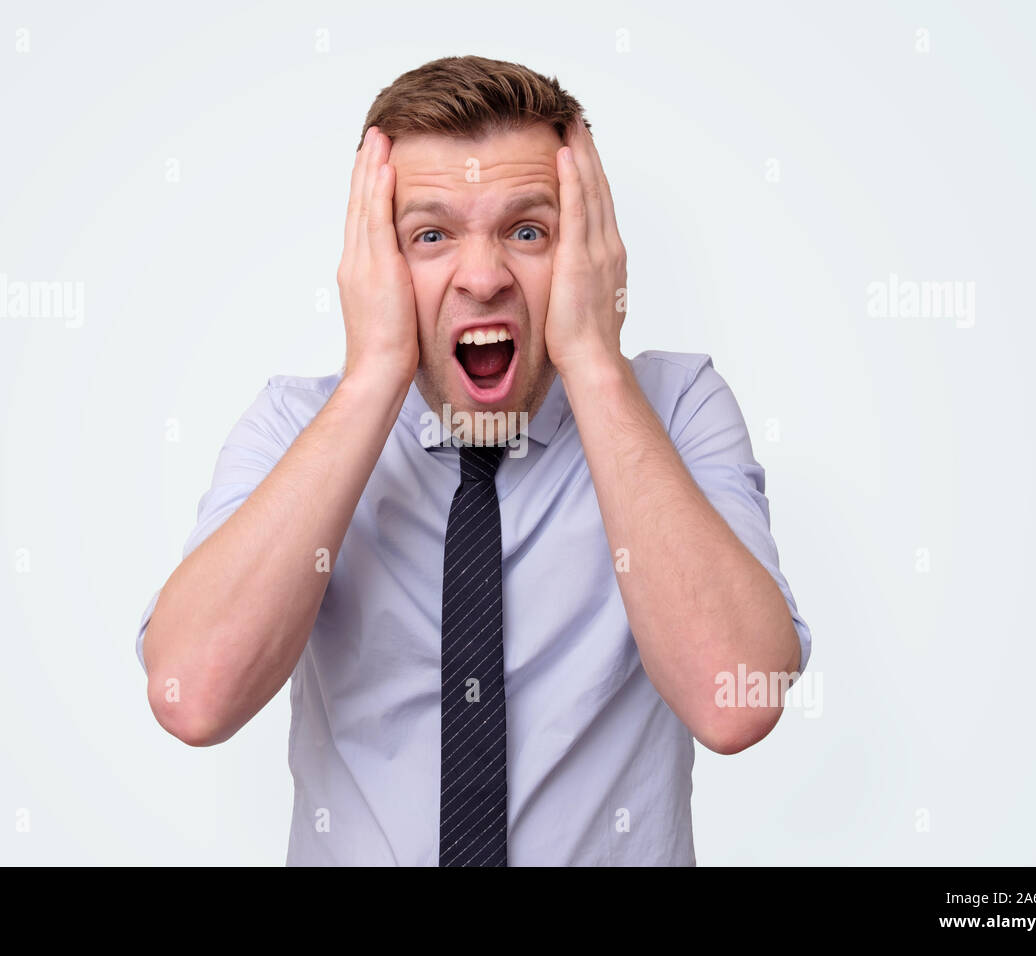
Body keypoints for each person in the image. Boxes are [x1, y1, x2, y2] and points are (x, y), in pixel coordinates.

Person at [136, 55, 812, 866]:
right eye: (430, 236)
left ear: (588, 251)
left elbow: (735, 701)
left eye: (529, 231)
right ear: (373, 261)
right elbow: (194, 697)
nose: (485, 278)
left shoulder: (675, 408)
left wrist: (595, 361)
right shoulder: (296, 425)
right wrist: (375, 375)